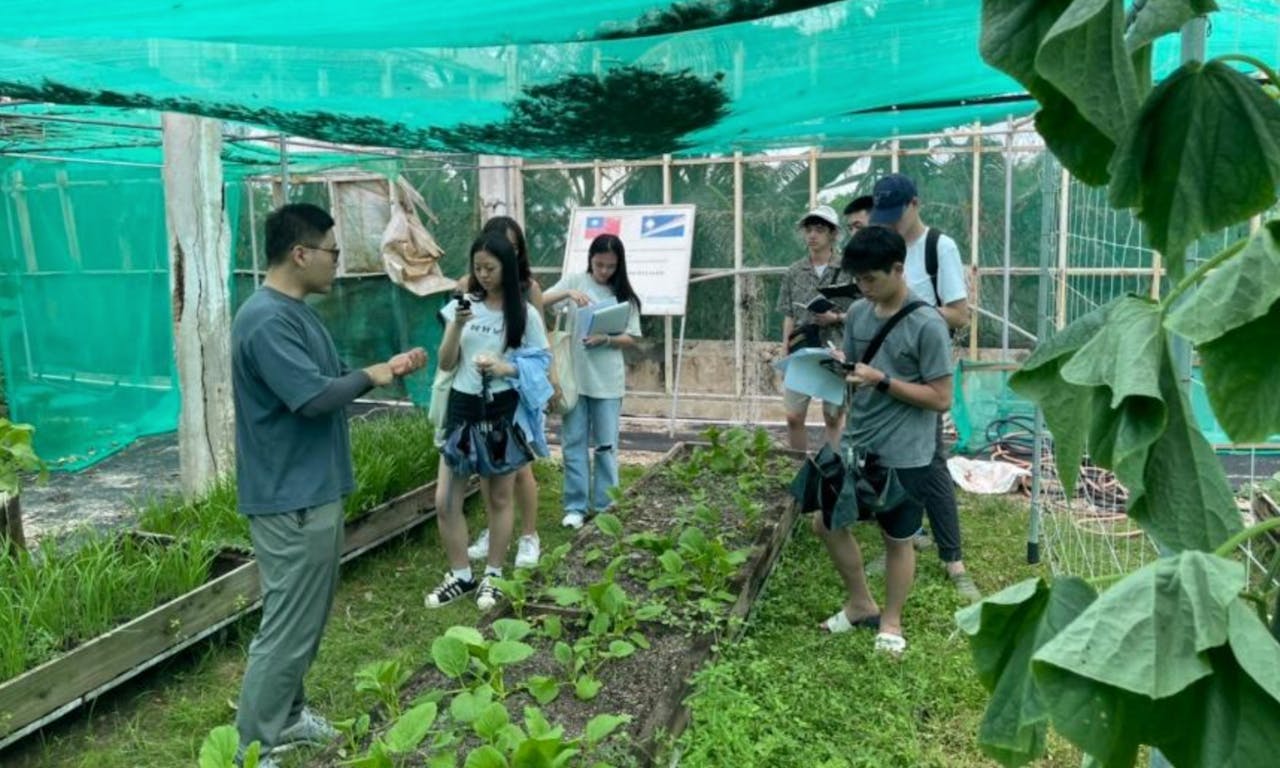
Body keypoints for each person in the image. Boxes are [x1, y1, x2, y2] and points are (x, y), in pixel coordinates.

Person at [230, 203, 427, 764]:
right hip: (289, 497)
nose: (338, 264)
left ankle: (287, 718)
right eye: (333, 253)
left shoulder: (296, 313)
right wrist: (376, 373)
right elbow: (313, 398)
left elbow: (324, 380)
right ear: (301, 254)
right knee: (287, 626)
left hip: (310, 490)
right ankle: (251, 746)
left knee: (302, 620)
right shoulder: (267, 320)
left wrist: (381, 368)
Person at [812, 225, 952, 656]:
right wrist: (837, 377)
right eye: (858, 280)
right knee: (826, 522)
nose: (864, 288)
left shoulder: (927, 324)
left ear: (897, 268)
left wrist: (884, 380)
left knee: (898, 537)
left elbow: (941, 397)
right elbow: (858, 369)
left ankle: (890, 621)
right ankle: (859, 601)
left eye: (871, 279)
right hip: (856, 441)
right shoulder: (857, 314)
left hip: (905, 452)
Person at [868, 172, 979, 602]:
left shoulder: (939, 247)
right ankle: (904, 540)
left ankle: (954, 560)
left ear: (915, 204)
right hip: (886, 371)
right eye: (884, 216)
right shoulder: (887, 245)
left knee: (931, 461)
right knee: (893, 460)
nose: (891, 222)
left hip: (925, 373)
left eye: (897, 214)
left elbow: (958, 314)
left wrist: (910, 313)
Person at [425, 232, 549, 610]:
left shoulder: (523, 314)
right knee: (445, 499)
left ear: (506, 268)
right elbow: (446, 363)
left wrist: (504, 367)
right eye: (478, 268)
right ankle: (461, 575)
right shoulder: (462, 307)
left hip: (501, 409)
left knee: (498, 495)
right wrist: (457, 325)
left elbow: (542, 363)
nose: (483, 275)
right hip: (462, 409)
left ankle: (493, 575)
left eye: (490, 268)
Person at [542, 234, 642, 529]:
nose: (604, 271)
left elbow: (631, 337)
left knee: (606, 445)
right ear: (591, 260)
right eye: (599, 265)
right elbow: (540, 299)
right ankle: (575, 505)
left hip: (607, 381)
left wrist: (606, 339)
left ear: (619, 265)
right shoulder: (575, 280)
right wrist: (568, 293)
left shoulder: (625, 295)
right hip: (574, 378)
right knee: (573, 442)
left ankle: (606, 503)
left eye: (610, 266)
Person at [463, 216, 546, 569]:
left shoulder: (527, 293)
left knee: (520, 468)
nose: (487, 270)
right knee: (488, 467)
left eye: (510, 248)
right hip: (482, 398)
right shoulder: (472, 293)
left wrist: (545, 381)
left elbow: (540, 348)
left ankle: (528, 534)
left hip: (517, 395)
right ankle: (496, 528)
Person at [776, 204, 854, 452]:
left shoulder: (848, 270)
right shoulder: (794, 271)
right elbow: (788, 312)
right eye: (808, 229)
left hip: (836, 349)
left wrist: (836, 318)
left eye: (819, 229)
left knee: (833, 416)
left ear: (833, 233)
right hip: (802, 350)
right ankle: (799, 465)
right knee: (793, 416)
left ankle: (834, 469)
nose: (812, 235)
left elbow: (864, 311)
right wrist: (784, 348)